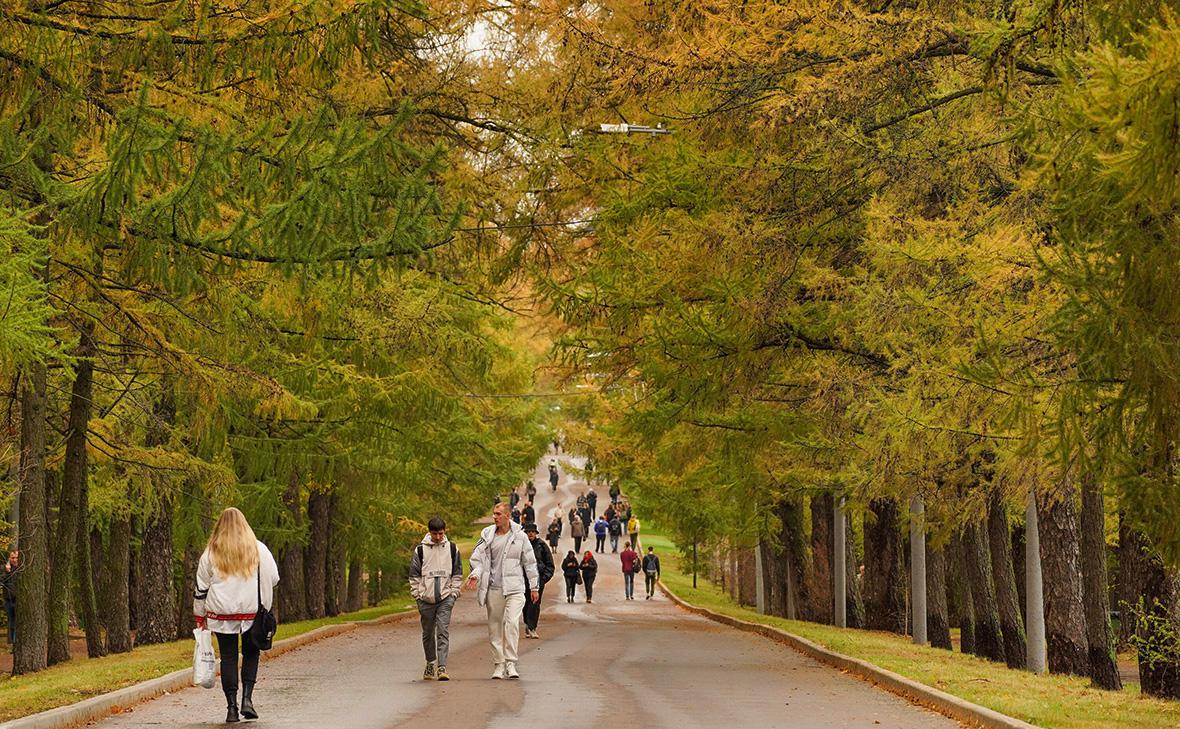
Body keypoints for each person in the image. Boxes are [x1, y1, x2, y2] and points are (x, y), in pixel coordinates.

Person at [193, 508, 280, 723]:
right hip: (252, 613)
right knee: (251, 654)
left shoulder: (211, 553)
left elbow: (201, 588)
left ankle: (231, 708)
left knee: (229, 657)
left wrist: (199, 615)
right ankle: (247, 700)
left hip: (221, 613)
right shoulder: (259, 550)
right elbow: (275, 578)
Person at [466, 502, 539, 680]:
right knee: (495, 627)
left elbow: (530, 562)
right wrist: (476, 574)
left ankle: (511, 663)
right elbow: (477, 558)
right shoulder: (487, 534)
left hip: (515, 588)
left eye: (498, 514)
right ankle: (499, 664)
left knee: (512, 623)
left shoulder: (520, 536)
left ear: (508, 515)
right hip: (494, 588)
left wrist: (534, 586)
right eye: (494, 514)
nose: (495, 517)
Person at [408, 517, 463, 681]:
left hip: (446, 598)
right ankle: (430, 663)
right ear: (429, 532)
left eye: (440, 533)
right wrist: (417, 594)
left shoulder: (452, 549)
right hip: (425, 599)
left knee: (443, 631)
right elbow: (414, 574)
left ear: (444, 531)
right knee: (428, 632)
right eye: (434, 533)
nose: (437, 537)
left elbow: (457, 572)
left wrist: (454, 593)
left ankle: (442, 667)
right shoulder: (420, 550)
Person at [522, 524, 554, 639]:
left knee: (535, 603)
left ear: (536, 533)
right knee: (524, 603)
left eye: (532, 532)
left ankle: (532, 627)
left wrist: (544, 578)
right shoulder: (521, 545)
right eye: (528, 532)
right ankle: (527, 622)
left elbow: (550, 564)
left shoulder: (542, 545)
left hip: (538, 579)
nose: (530, 534)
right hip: (523, 579)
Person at [2, 550, 18, 646]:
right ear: (9, 558)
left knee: (18, 621)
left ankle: (17, 642)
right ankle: (13, 643)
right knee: (11, 621)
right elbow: (1, 580)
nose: (15, 559)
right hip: (8, 599)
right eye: (12, 557)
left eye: (16, 557)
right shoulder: (3, 568)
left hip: (20, 599)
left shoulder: (22, 568)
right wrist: (7, 572)